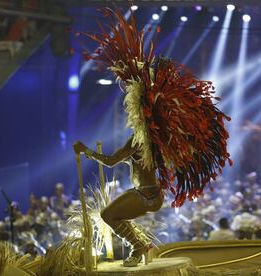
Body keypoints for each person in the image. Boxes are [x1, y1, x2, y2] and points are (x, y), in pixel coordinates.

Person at [73, 7, 231, 267]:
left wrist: (86, 151)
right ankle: (139, 245)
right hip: (149, 193)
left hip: (146, 195)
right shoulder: (149, 138)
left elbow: (112, 162)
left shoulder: (140, 141)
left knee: (107, 215)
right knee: (111, 216)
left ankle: (137, 247)